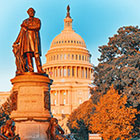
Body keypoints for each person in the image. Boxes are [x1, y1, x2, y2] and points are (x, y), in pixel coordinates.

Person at [13, 8, 44, 74]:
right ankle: (31, 69)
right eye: (30, 12)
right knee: (28, 55)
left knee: (36, 54)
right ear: (28, 13)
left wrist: (27, 27)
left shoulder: (37, 20)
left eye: (32, 11)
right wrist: (16, 41)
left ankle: (39, 69)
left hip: (34, 39)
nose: (31, 13)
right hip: (27, 40)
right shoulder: (25, 21)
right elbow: (21, 32)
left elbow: (37, 27)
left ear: (34, 12)